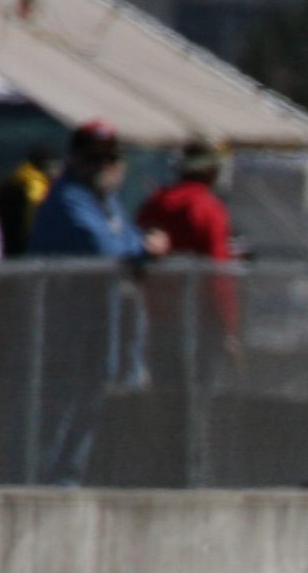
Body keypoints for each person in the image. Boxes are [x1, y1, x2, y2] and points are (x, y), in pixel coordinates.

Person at [21, 120, 163, 485]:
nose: (102, 165)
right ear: (76, 157)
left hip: (97, 334)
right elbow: (104, 248)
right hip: (59, 335)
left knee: (85, 418)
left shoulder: (108, 200)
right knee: (51, 421)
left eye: (110, 157)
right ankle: (33, 491)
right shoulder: (68, 197)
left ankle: (64, 488)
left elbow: (128, 239)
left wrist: (140, 247)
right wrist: (143, 249)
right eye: (94, 157)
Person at [136, 140, 240, 382]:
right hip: (201, 323)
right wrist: (228, 328)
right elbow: (218, 272)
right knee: (198, 399)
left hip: (159, 318)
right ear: (211, 171)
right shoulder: (208, 207)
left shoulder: (154, 204)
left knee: (163, 395)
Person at [0, 147, 55, 261]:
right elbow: (35, 213)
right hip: (25, 247)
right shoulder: (35, 184)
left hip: (5, 245)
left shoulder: (15, 178)